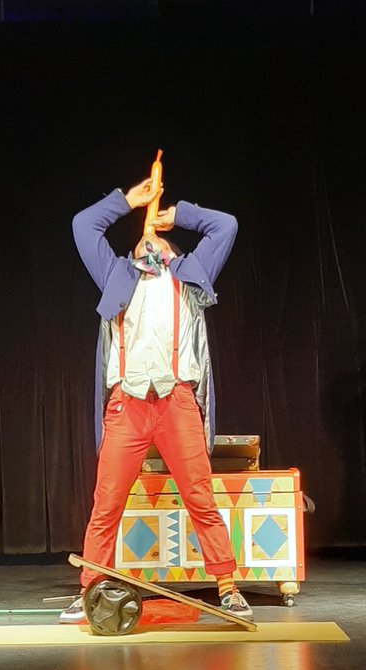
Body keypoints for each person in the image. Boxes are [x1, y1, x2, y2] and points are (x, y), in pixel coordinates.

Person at [60, 171, 253, 622]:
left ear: (173, 253)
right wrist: (128, 201)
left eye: (158, 240)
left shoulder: (189, 278)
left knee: (200, 498)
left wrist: (177, 216)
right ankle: (91, 589)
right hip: (127, 405)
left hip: (176, 403)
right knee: (106, 502)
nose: (148, 240)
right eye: (142, 239)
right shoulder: (116, 276)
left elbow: (225, 226)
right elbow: (82, 225)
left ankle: (227, 587)